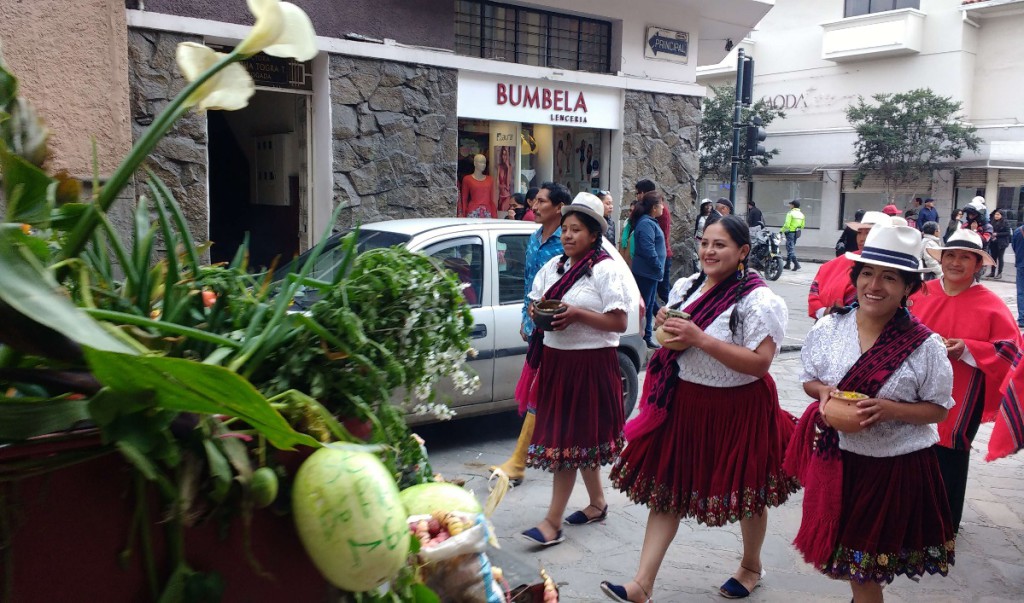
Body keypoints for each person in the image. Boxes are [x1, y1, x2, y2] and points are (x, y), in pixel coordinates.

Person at [602, 214, 794, 602]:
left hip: (740, 407)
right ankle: (642, 583)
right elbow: (674, 341)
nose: (708, 251)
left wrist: (700, 339)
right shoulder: (687, 287)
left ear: (742, 252)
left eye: (719, 245)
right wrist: (665, 324)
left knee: (747, 491)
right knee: (667, 489)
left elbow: (759, 364)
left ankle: (751, 565)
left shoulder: (759, 300)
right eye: (705, 242)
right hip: (686, 401)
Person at [789, 224, 955, 603]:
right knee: (856, 565)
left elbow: (938, 410)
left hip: (895, 468)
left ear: (909, 289)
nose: (874, 285)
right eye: (867, 273)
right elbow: (809, 380)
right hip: (841, 463)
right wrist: (824, 393)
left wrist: (888, 409)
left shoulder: (925, 346)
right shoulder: (830, 328)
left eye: (889, 277)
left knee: (864, 568)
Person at [519, 193, 637, 546]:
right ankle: (597, 503)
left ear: (593, 235)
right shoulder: (555, 267)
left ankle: (552, 523)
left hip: (589, 365)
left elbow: (618, 321)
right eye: (566, 229)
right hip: (557, 364)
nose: (568, 236)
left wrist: (577, 315)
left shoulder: (605, 269)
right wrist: (533, 313)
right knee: (578, 439)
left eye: (576, 230)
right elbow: (534, 301)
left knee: (569, 443)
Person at [910, 228, 1023, 531]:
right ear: (942, 259)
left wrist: (968, 348)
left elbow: (1011, 349)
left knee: (950, 450)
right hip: (915, 387)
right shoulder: (921, 293)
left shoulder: (990, 303)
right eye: (951, 256)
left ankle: (945, 524)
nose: (956, 262)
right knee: (910, 448)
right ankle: (910, 512)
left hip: (963, 391)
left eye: (965, 257)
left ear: (977, 265)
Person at [490, 182, 569, 486]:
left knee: (544, 392)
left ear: (559, 207)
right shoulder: (535, 237)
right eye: (534, 202)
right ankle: (546, 455)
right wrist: (526, 320)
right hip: (537, 328)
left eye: (541, 202)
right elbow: (528, 286)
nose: (534, 207)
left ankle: (521, 460)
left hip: (559, 328)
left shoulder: (567, 242)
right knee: (547, 393)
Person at [808, 211, 891, 320]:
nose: (862, 238)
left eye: (868, 233)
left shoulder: (896, 268)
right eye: (860, 232)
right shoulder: (836, 263)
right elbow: (814, 292)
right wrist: (826, 313)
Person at [628, 191, 667, 349]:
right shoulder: (646, 224)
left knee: (649, 305)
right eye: (661, 204)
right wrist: (658, 266)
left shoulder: (650, 222)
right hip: (646, 272)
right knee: (644, 306)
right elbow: (647, 248)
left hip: (651, 273)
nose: (663, 207)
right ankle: (640, 338)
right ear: (654, 207)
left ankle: (646, 337)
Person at [458, 153, 496, 218]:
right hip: (473, 211)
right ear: (475, 163)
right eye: (481, 162)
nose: (483, 165)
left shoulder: (490, 180)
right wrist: (463, 214)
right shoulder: (467, 179)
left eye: (484, 163)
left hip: (487, 211)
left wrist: (494, 215)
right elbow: (464, 199)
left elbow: (492, 199)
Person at [781, 199, 806, 271]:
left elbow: (787, 224)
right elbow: (802, 226)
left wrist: (781, 231)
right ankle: (788, 264)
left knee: (790, 249)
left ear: (793, 205)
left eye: (790, 204)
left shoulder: (790, 213)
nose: (790, 205)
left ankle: (796, 264)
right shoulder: (802, 214)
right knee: (791, 248)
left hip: (790, 232)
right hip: (797, 233)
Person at [988, 208, 1011, 279]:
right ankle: (992, 272)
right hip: (993, 242)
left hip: (1001, 243)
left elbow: (1007, 233)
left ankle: (999, 273)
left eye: (998, 214)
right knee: (993, 257)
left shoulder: (1005, 222)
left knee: (1000, 258)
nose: (996, 216)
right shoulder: (992, 222)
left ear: (1001, 215)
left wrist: (997, 234)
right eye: (996, 214)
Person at [1014, 221, 1024, 328]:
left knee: (1021, 292)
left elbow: (1014, 246)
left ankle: (1022, 318)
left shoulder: (1018, 231)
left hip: (1021, 264)